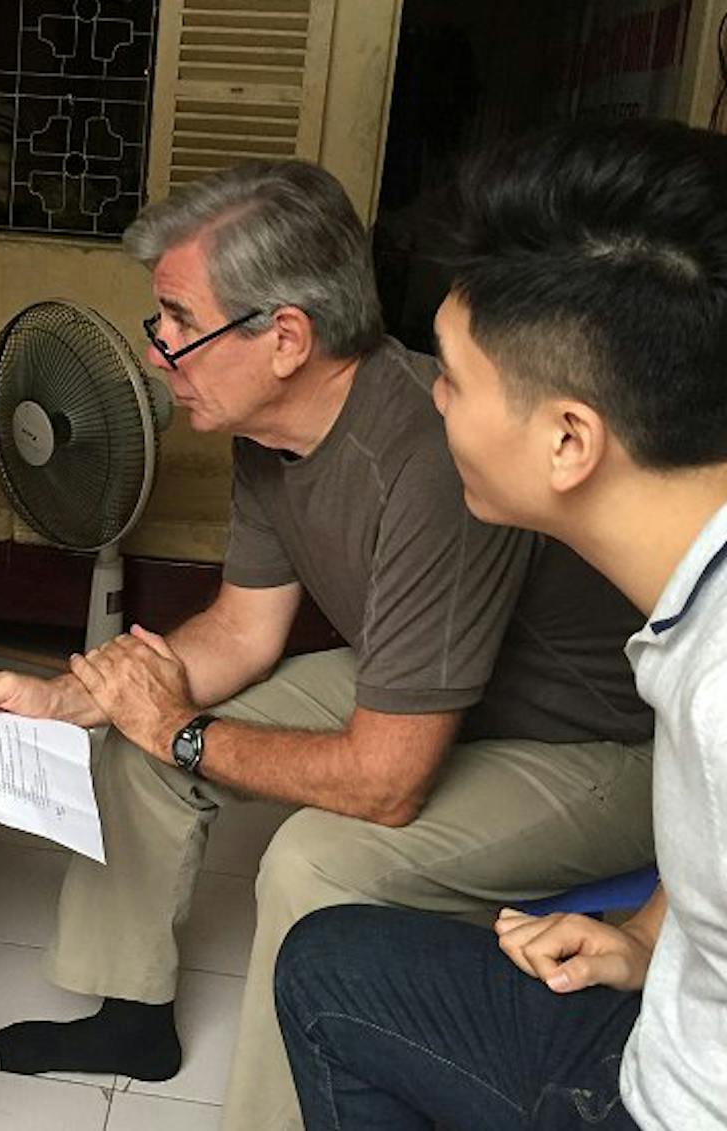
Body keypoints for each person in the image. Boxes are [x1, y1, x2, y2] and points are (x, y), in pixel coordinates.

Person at [0, 158, 656, 1131]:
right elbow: (242, 630)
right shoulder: (265, 432)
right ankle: (130, 1016)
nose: (156, 353)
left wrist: (181, 731)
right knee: (136, 731)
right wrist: (70, 698)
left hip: (591, 746)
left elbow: (383, 780)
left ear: (283, 337)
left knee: (314, 861)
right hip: (431, 690)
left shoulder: (427, 458)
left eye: (172, 322)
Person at [274, 117, 727, 1131]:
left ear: (567, 438)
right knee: (330, 965)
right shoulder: (691, 587)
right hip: (656, 1018)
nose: (429, 403)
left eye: (447, 375)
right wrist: (649, 938)